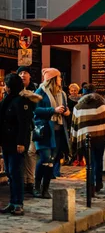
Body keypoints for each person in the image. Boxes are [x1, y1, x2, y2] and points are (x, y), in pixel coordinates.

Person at [0, 73, 39, 215]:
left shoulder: (21, 101)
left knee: (16, 173)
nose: (4, 87)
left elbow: (24, 123)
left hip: (16, 143)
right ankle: (12, 201)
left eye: (6, 84)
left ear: (11, 86)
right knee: (10, 172)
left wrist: (21, 142)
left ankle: (18, 203)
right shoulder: (7, 100)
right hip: (6, 141)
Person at [33, 68, 70, 198]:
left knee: (51, 161)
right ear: (53, 79)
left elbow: (66, 108)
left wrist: (66, 112)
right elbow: (36, 110)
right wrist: (53, 109)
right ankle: (37, 186)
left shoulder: (62, 94)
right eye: (59, 77)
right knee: (44, 158)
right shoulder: (40, 92)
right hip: (45, 130)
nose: (61, 79)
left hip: (58, 131)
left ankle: (45, 188)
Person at [70, 84, 105, 196]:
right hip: (100, 137)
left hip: (85, 139)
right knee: (98, 160)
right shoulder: (101, 105)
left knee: (89, 163)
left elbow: (74, 125)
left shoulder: (78, 107)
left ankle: (90, 186)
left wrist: (73, 142)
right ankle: (98, 182)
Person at [17, 66, 38, 195]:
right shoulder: (15, 90)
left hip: (32, 127)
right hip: (18, 127)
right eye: (21, 73)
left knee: (30, 154)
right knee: (21, 155)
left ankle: (30, 182)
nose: (23, 75)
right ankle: (22, 181)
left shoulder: (35, 91)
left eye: (25, 73)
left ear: (30, 76)